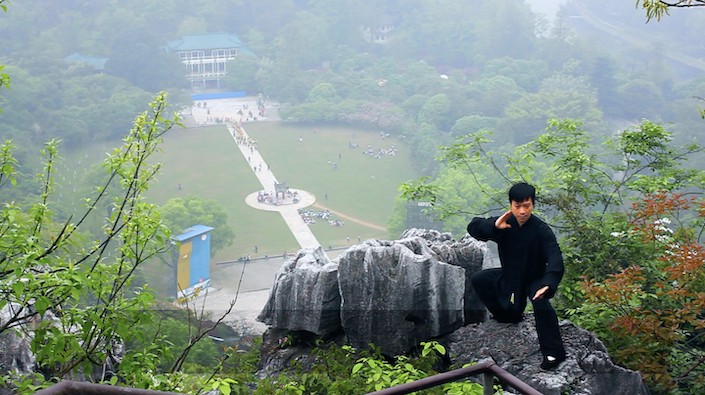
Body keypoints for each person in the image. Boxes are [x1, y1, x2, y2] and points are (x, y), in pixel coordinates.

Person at [467, 182, 566, 370]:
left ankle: (554, 354)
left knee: (541, 302)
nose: (522, 211)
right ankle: (506, 316)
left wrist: (548, 283)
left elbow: (555, 258)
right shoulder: (505, 223)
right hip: (511, 276)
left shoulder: (541, 230)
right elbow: (473, 227)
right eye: (517, 206)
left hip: (534, 279)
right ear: (511, 205)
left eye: (526, 206)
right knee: (479, 280)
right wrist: (494, 226)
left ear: (533, 205)